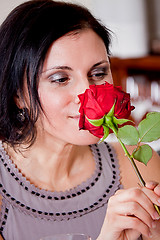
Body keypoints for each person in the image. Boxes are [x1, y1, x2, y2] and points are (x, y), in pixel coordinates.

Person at [0, 0, 160, 239]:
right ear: (17, 95)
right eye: (60, 78)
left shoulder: (137, 165)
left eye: (97, 73)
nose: (87, 93)